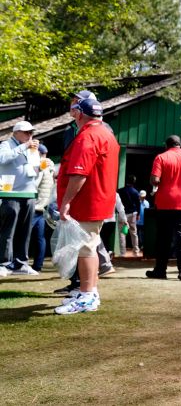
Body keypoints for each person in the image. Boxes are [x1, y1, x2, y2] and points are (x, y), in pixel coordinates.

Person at [54, 98, 120, 315]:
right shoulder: (105, 133)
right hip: (97, 199)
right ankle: (89, 292)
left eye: (74, 110)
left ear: (80, 114)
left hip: (88, 200)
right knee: (88, 245)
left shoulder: (88, 136)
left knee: (85, 248)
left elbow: (79, 173)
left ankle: (87, 294)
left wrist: (66, 202)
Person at [146, 136, 181, 281]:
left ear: (166, 145)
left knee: (163, 236)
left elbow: (155, 180)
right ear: (180, 145)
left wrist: (157, 180)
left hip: (165, 201)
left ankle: (160, 270)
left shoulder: (161, 157)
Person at [0, 120, 41, 276]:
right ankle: (3, 263)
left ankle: (20, 263)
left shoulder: (32, 148)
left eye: (31, 132)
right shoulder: (6, 144)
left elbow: (36, 170)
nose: (30, 135)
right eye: (26, 132)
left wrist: (37, 158)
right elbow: (2, 159)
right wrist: (24, 147)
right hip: (10, 193)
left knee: (25, 231)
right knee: (7, 230)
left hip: (29, 192)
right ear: (16, 133)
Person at [31, 144, 56, 272]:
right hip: (44, 206)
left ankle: (19, 263)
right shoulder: (51, 166)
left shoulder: (41, 166)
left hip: (35, 205)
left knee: (22, 235)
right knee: (40, 238)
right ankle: (38, 265)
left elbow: (35, 184)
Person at [117, 175, 142, 257]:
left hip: (122, 214)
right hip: (132, 214)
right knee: (134, 233)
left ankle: (122, 253)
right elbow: (138, 204)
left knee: (122, 233)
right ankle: (136, 252)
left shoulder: (120, 191)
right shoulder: (135, 192)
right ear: (134, 182)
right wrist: (138, 214)